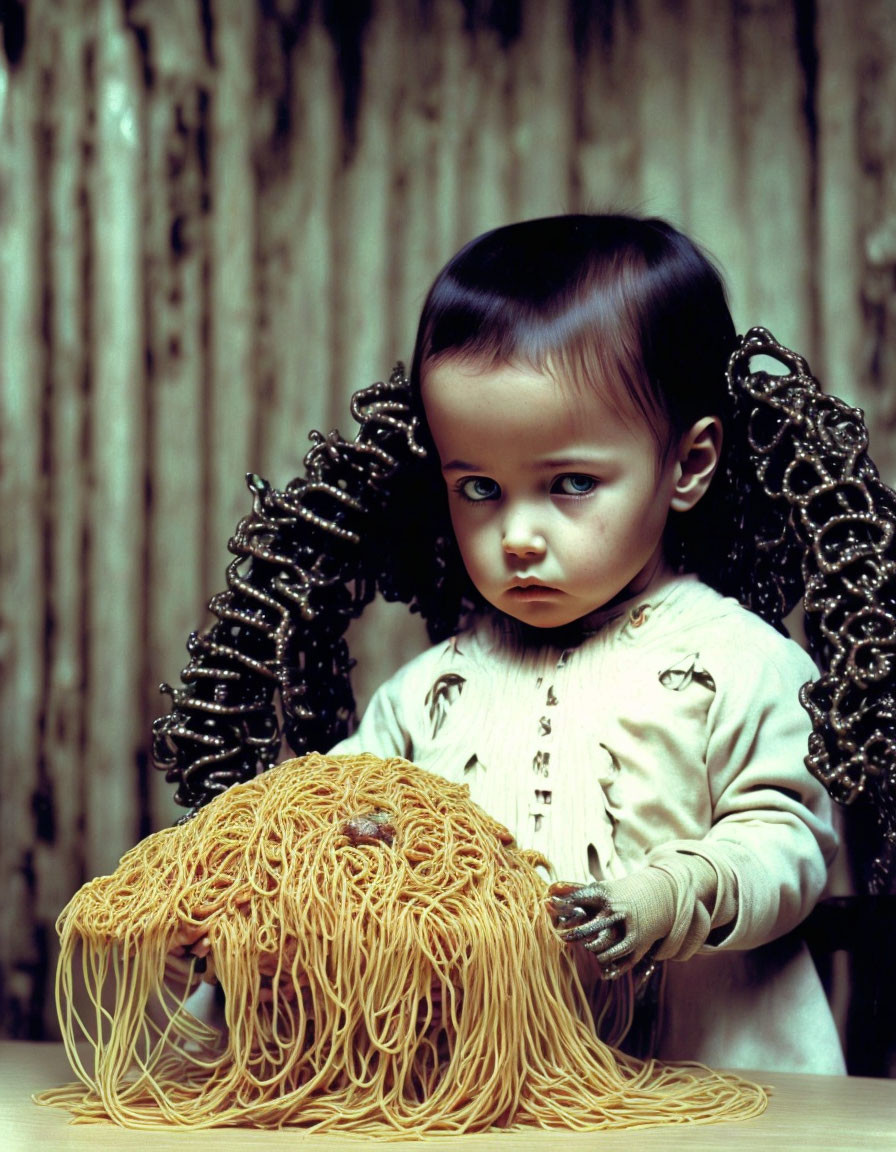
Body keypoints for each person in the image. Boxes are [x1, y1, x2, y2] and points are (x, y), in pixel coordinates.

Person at [326, 214, 847, 1074]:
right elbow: (336, 819)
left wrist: (673, 892)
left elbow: (787, 839)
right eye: (480, 488)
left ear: (688, 464)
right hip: (489, 1095)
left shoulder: (742, 666)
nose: (519, 537)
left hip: (723, 1086)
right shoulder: (426, 697)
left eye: (571, 484)